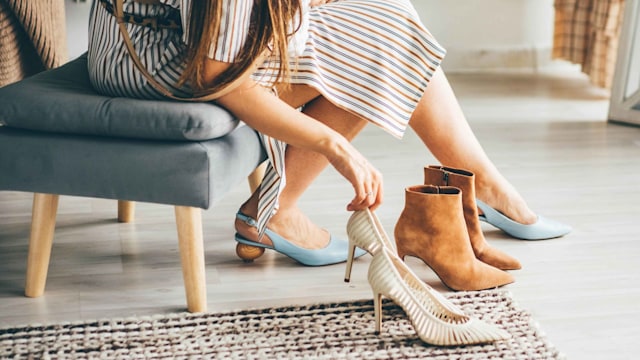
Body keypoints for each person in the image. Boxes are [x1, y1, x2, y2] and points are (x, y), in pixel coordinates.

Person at [88, 0, 571, 282]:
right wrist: (335, 146)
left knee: (389, 19)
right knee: (377, 50)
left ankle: (479, 188)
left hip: (178, 35)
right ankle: (281, 211)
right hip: (156, 59)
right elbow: (216, 75)